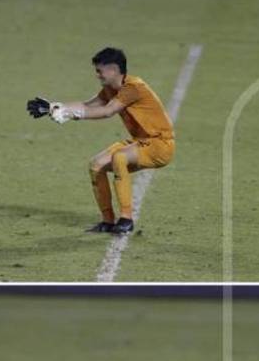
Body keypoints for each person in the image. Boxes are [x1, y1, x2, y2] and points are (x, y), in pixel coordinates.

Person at [28, 48, 174, 234]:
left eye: (99, 71)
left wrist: (71, 115)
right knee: (96, 165)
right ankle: (107, 221)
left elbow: (108, 111)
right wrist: (54, 107)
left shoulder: (133, 88)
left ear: (113, 70)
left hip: (160, 144)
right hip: (140, 141)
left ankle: (126, 219)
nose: (97, 75)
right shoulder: (110, 89)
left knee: (119, 158)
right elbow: (87, 106)